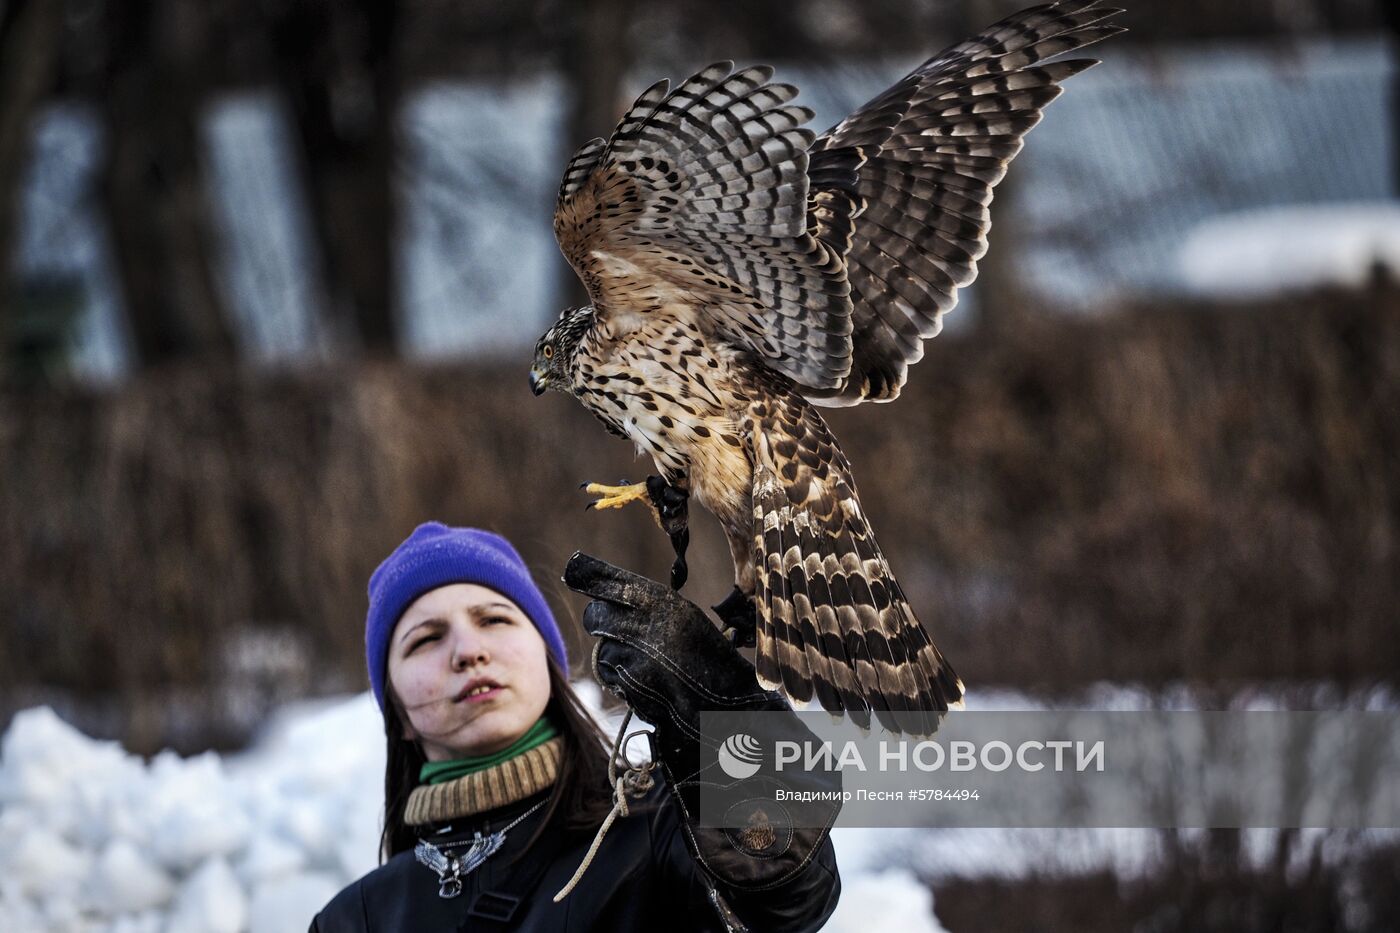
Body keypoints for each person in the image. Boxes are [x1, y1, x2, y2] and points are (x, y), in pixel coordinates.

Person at [310, 522, 841, 931]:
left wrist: (724, 715)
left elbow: (785, 898)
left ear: (548, 661)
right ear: (395, 713)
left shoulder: (661, 823)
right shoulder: (352, 920)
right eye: (425, 640)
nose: (468, 651)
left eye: (494, 619)